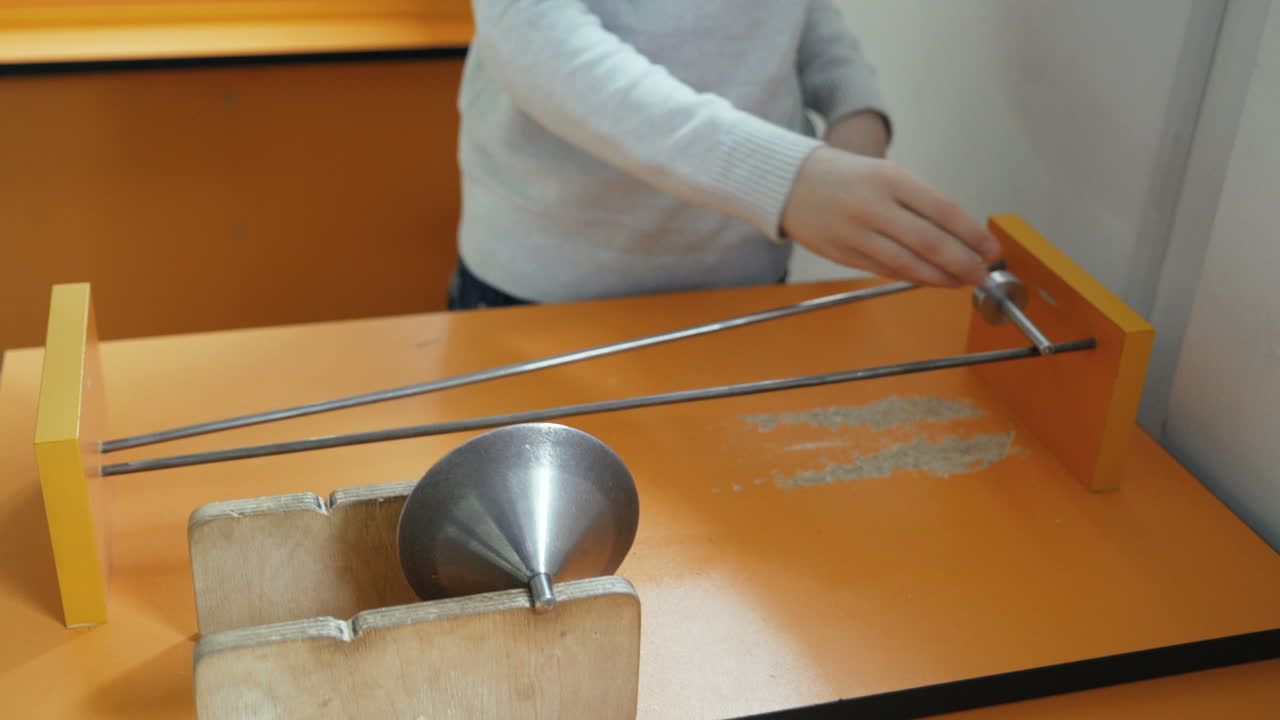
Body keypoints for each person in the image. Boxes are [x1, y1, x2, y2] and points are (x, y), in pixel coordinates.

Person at [447, 1, 1000, 311]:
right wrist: (782, 179)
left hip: (744, 271)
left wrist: (853, 108)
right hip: (549, 281)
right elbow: (528, 29)